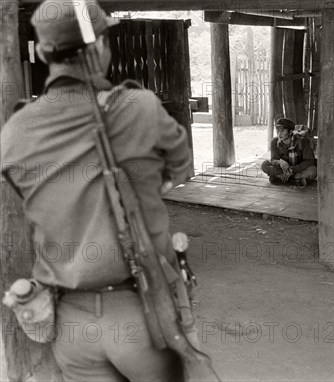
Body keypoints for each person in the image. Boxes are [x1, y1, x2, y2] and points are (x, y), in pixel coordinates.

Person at [0, 1, 191, 380]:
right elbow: (180, 168)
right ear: (101, 46)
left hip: (69, 327)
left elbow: (30, 196)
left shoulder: (15, 133)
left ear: (40, 53)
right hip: (142, 316)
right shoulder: (141, 108)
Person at [261, 117, 317, 188]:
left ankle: (281, 178)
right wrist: (280, 162)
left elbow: (309, 161)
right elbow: (274, 160)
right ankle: (295, 181)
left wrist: (292, 169)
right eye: (278, 130)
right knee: (264, 165)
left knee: (313, 170)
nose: (279, 133)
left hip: (298, 169)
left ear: (290, 132)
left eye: (283, 130)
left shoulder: (302, 141)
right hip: (283, 169)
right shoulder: (274, 142)